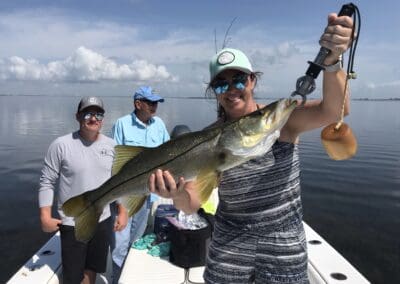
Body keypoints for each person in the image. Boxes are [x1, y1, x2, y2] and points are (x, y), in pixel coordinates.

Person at [149, 13, 354, 284]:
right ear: (215, 91)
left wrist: (332, 62)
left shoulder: (282, 119)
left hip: (284, 242)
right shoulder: (205, 140)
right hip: (229, 241)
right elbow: (192, 204)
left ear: (252, 81)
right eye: (221, 83)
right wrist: (175, 195)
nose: (231, 89)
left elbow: (335, 110)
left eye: (239, 80)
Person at [38, 96, 128, 284]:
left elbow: (119, 182)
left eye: (98, 114)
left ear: (103, 118)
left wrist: (122, 211)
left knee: (92, 268)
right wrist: (45, 216)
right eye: (88, 113)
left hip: (102, 219)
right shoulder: (61, 145)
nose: (93, 118)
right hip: (72, 222)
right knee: (73, 276)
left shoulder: (112, 147)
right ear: (78, 117)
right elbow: (47, 181)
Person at [110, 86, 170, 283]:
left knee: (135, 242)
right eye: (150, 103)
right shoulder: (122, 124)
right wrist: (121, 207)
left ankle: (130, 278)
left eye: (156, 103)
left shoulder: (159, 124)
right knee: (119, 246)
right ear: (138, 104)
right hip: (124, 197)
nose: (155, 107)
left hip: (147, 197)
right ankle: (117, 279)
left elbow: (170, 152)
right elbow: (115, 165)